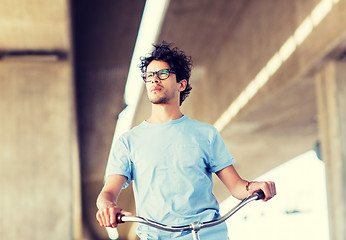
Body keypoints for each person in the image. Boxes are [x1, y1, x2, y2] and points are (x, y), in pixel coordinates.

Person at [96, 42, 276, 239]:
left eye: (163, 73)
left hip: (207, 235)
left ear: (181, 84)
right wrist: (107, 207)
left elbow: (237, 187)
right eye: (149, 75)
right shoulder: (128, 142)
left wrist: (253, 187)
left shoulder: (206, 134)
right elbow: (107, 193)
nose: (154, 79)